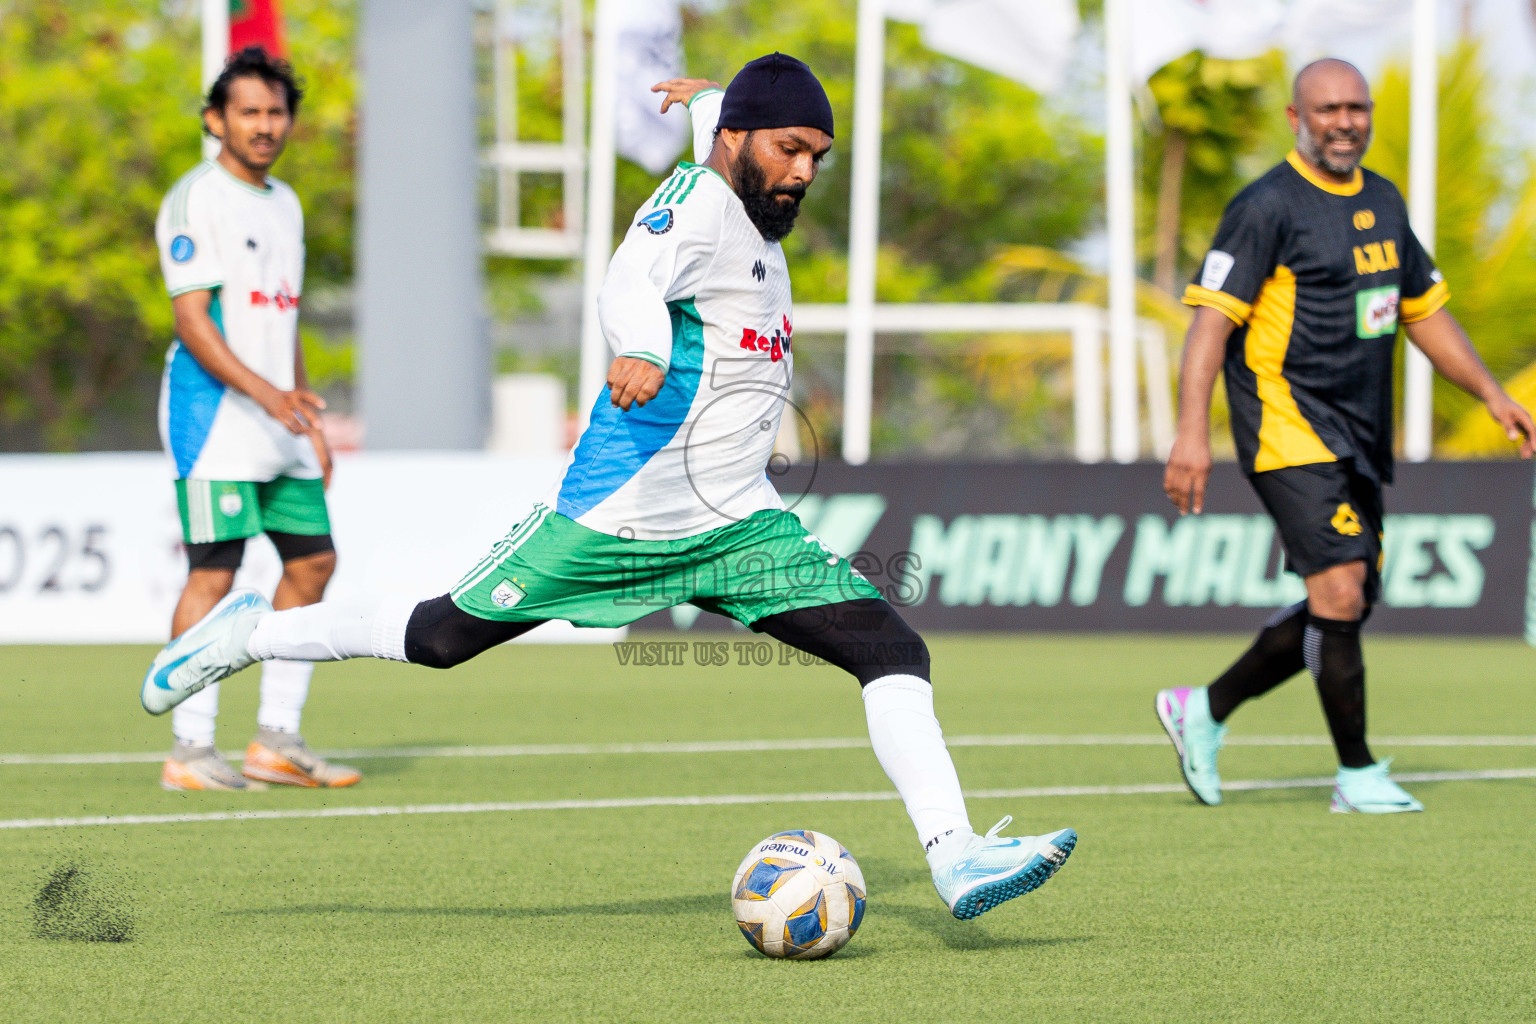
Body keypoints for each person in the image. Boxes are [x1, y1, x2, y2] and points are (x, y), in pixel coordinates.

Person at [141, 53, 1075, 919]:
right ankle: (246, 634)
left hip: (739, 528)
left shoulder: (744, 186)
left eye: (817, 156)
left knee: (891, 650)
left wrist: (709, 97)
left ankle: (955, 854)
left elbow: (729, 121)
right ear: (740, 143)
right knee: (439, 637)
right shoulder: (700, 203)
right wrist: (644, 345)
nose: (801, 172)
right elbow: (632, 276)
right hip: (618, 519)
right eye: (789, 148)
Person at [1156, 58, 1534, 814]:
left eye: (1356, 107)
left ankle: (1204, 708)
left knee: (1349, 603)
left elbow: (1423, 311)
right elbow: (1209, 327)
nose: (1345, 121)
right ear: (1297, 119)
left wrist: (1493, 393)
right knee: (1339, 586)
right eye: (1327, 108)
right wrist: (1190, 435)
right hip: (1284, 424)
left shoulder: (1384, 203)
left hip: (1358, 435)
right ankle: (1357, 775)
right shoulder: (1265, 206)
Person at [152, 46, 359, 791]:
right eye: (249, 112)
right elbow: (192, 322)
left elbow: (285, 318)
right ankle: (189, 747)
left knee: (312, 561)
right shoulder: (195, 198)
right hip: (216, 418)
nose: (265, 125)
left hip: (279, 420)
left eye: (276, 112)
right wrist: (267, 397)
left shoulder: (288, 202)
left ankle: (275, 740)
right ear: (217, 120)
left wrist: (303, 415)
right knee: (216, 570)